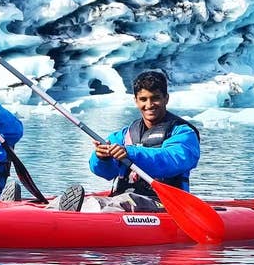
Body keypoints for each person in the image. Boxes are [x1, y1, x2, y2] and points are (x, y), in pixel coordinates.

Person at [53, 70, 200, 212]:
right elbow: (106, 173)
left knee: (119, 202)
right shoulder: (124, 135)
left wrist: (130, 153)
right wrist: (101, 158)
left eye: (155, 98)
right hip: (127, 198)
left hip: (164, 203)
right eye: (143, 99)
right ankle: (58, 212)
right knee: (59, 202)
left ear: (165, 99)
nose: (149, 105)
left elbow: (173, 160)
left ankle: (78, 217)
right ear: (135, 100)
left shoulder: (183, 132)